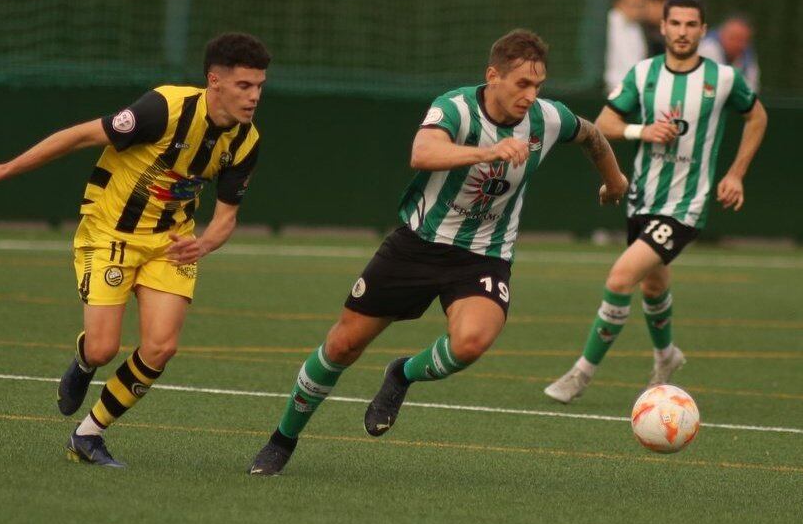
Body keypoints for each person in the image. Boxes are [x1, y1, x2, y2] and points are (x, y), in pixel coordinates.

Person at [248, 30, 629, 476]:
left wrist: (614, 180)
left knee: (470, 343)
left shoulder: (547, 119)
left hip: (483, 256)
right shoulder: (456, 107)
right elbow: (422, 152)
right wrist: (489, 151)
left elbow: (591, 135)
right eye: (522, 84)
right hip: (417, 246)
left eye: (538, 86)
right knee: (343, 344)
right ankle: (283, 438)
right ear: (493, 76)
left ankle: (402, 375)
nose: (531, 96)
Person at [0, 33, 269, 468]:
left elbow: (226, 216)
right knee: (103, 350)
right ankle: (84, 362)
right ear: (215, 81)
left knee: (161, 347)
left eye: (259, 87)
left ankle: (88, 434)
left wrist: (205, 243)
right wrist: (7, 169)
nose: (254, 97)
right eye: (244, 86)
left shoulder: (246, 141)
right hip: (109, 233)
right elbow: (80, 136)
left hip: (170, 243)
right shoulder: (163, 109)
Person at [545, 0, 768, 402]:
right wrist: (641, 131)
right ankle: (666, 356)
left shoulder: (723, 79)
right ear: (663, 28)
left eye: (691, 25)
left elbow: (757, 116)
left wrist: (736, 173)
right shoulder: (643, 74)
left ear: (703, 30)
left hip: (687, 205)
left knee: (619, 279)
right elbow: (605, 123)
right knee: (653, 285)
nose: (683, 32)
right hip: (642, 200)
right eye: (675, 24)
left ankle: (581, 374)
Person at [699, 14, 761, 92]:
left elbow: (752, 89)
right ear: (721, 35)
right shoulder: (708, 47)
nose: (737, 44)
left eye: (742, 40)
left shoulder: (747, 55)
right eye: (733, 38)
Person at [605, 0, 650, 90]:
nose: (637, 9)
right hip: (611, 88)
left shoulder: (636, 27)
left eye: (640, 5)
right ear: (618, 3)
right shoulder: (609, 22)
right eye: (633, 4)